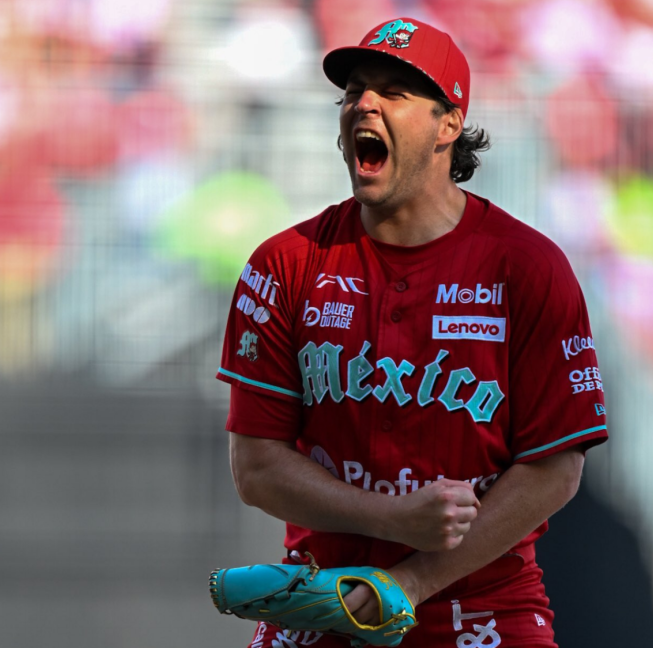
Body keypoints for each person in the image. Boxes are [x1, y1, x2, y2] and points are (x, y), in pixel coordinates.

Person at [218, 17, 608, 648]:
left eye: (393, 92)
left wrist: (411, 582)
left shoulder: (528, 268)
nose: (363, 103)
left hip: (482, 607)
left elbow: (555, 467)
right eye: (353, 92)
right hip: (322, 601)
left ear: (448, 124)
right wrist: (393, 517)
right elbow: (256, 467)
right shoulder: (283, 264)